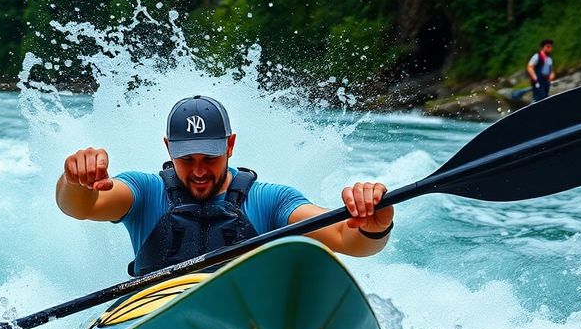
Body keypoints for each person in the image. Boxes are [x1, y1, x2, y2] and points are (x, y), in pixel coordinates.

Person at [56, 95, 395, 277]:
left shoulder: (271, 201)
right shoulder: (145, 192)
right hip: (158, 314)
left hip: (249, 324)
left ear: (230, 146)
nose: (199, 170)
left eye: (211, 157)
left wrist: (374, 226)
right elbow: (80, 207)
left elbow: (344, 239)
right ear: (168, 149)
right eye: (187, 159)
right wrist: (74, 180)